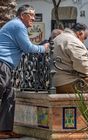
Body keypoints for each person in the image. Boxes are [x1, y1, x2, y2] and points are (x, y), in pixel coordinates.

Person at [0, 4, 49, 139]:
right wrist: (44, 48)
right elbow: (28, 48)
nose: (34, 18)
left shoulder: (16, 25)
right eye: (31, 15)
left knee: (9, 96)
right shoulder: (18, 25)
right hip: (2, 64)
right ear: (23, 15)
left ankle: (4, 130)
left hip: (6, 66)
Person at [53, 23, 88, 93]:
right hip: (67, 82)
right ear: (80, 33)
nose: (84, 41)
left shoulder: (58, 38)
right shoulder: (74, 41)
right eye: (85, 37)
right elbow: (83, 67)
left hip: (54, 82)